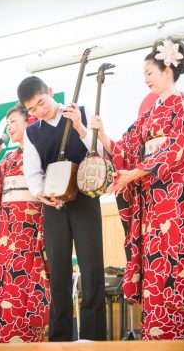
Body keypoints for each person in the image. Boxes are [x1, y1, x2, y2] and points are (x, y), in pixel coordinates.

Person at [91, 36, 184, 340]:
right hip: (150, 199)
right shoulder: (147, 114)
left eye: (149, 72)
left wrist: (135, 172)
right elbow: (126, 148)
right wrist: (102, 135)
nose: (146, 79)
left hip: (174, 197)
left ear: (167, 70)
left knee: (173, 260)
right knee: (153, 264)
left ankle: (177, 336)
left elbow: (178, 146)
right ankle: (156, 335)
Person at [17, 76, 107, 342]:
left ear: (51, 92)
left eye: (41, 103)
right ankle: (59, 341)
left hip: (85, 198)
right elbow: (32, 174)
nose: (39, 111)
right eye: (32, 109)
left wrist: (80, 127)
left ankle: (93, 340)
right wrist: (40, 193)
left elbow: (100, 151)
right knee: (58, 275)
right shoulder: (32, 133)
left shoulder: (80, 112)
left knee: (91, 270)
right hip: (53, 205)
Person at [0, 103, 50, 343]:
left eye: (14, 121)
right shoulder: (8, 158)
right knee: (5, 285)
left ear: (28, 122)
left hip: (30, 228)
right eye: (7, 122)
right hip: (6, 231)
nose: (9, 127)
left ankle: (27, 340)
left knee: (25, 284)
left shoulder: (40, 150)